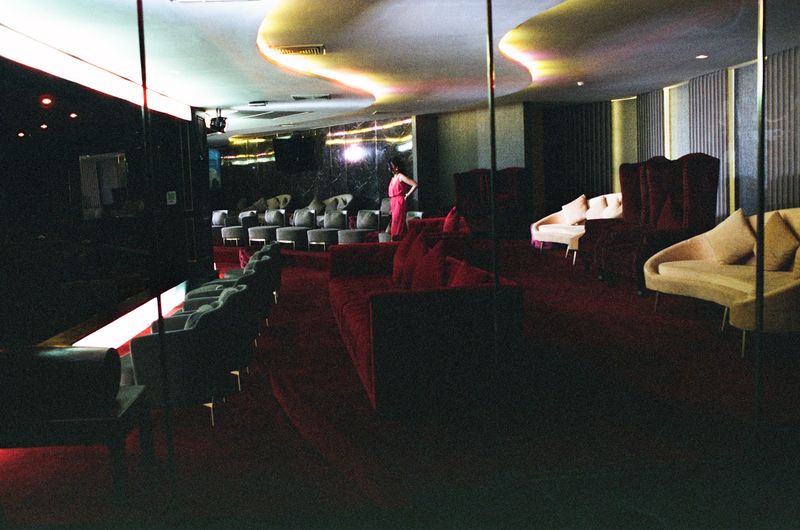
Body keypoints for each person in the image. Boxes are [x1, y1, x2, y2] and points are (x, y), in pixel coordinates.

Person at [387, 156, 418, 239]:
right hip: (393, 202)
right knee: (395, 223)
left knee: (398, 223)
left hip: (399, 202)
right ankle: (400, 240)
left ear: (396, 167)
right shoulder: (393, 178)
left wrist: (407, 194)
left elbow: (414, 184)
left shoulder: (400, 176)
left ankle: (396, 240)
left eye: (391, 166)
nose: (389, 168)